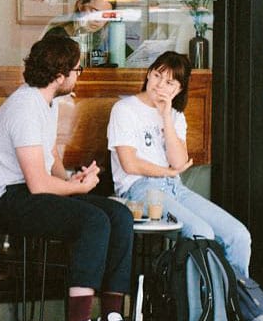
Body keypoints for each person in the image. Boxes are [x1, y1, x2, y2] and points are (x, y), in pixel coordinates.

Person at [0, 33, 140, 321]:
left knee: (119, 215)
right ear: (59, 75)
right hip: (7, 199)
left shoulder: (48, 102)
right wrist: (77, 189)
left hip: (30, 191)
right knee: (93, 221)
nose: (79, 76)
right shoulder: (24, 107)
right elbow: (37, 185)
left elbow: (50, 160)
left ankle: (110, 316)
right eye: (77, 70)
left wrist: (70, 178)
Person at [107, 50, 252, 275]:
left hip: (175, 188)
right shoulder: (125, 109)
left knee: (238, 235)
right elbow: (130, 164)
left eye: (169, 83)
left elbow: (180, 161)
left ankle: (232, 303)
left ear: (179, 89)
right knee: (200, 232)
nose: (159, 85)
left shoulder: (175, 116)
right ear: (148, 74)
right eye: (156, 76)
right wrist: (168, 171)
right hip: (139, 191)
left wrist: (165, 117)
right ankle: (201, 308)